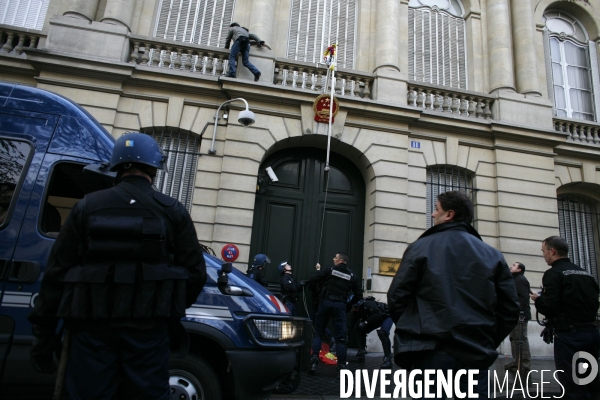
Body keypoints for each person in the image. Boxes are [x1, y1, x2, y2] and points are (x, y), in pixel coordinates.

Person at [28, 132, 207, 399]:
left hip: (91, 329)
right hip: (148, 331)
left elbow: (56, 275)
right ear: (154, 168)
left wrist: (44, 338)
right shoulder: (173, 211)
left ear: (115, 166)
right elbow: (196, 274)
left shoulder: (87, 207)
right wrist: (165, 307)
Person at [387, 190, 519, 397]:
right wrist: (485, 339)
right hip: (476, 353)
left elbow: (397, 297)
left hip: (431, 351)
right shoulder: (492, 255)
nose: (432, 214)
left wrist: (415, 330)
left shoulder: (420, 247)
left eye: (436, 209)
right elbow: (510, 308)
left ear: (449, 214)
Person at [530, 236, 600, 399]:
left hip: (569, 336)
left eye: (544, 251)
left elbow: (550, 307)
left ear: (552, 251)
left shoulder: (553, 274)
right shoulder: (586, 273)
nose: (544, 255)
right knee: (590, 381)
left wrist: (538, 300)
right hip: (590, 333)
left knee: (571, 384)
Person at [308, 252, 362, 373]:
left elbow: (313, 280)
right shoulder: (352, 275)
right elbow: (359, 295)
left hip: (325, 303)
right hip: (340, 306)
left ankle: (314, 362)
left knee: (318, 333)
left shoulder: (329, 270)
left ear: (341, 261)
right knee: (341, 338)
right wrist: (348, 305)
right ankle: (341, 366)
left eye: (335, 258)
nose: (333, 259)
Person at [348, 296, 394, 368]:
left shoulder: (368, 304)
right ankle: (361, 354)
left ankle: (387, 358)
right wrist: (343, 336)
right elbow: (350, 325)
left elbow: (378, 314)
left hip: (386, 316)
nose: (352, 309)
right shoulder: (356, 312)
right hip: (376, 319)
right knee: (359, 329)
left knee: (383, 332)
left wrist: (366, 322)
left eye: (353, 307)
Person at [505, 261, 532, 373]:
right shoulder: (515, 279)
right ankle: (517, 361)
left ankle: (524, 363)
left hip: (519, 315)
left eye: (514, 265)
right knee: (515, 338)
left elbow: (524, 298)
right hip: (515, 314)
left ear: (520, 269)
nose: (511, 266)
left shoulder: (520, 280)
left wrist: (519, 312)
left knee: (520, 338)